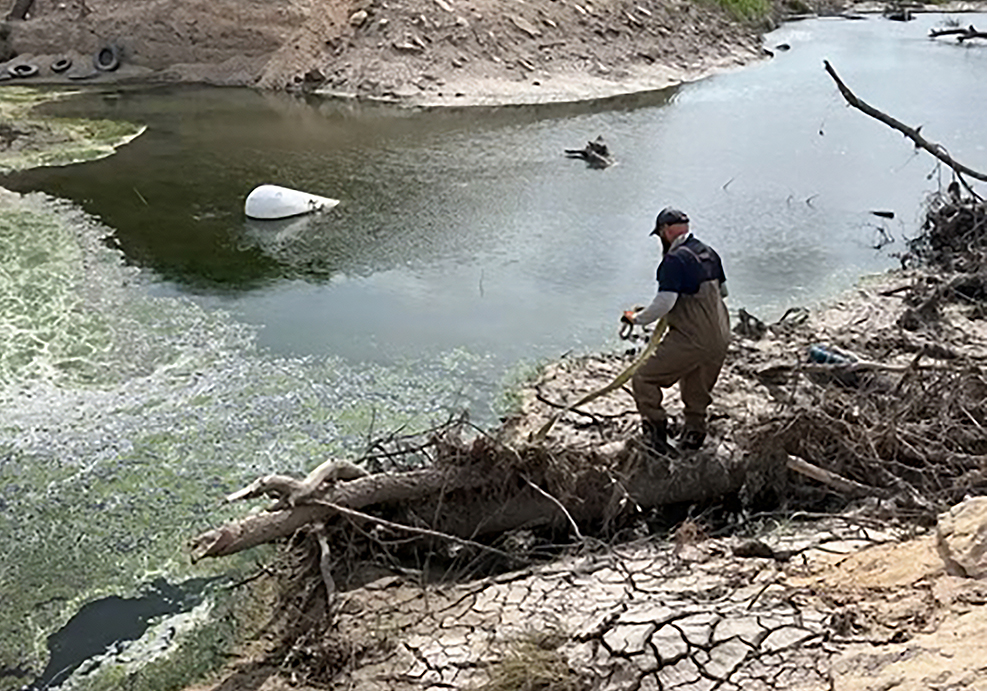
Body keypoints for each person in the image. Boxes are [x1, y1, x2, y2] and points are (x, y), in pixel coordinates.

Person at [621, 207, 730, 453]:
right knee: (696, 387)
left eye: (660, 235)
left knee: (644, 378)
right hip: (721, 334)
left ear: (665, 231)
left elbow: (664, 304)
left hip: (694, 337)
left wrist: (635, 319)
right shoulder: (710, 252)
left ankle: (656, 433)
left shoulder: (673, 260)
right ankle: (694, 436)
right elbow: (723, 293)